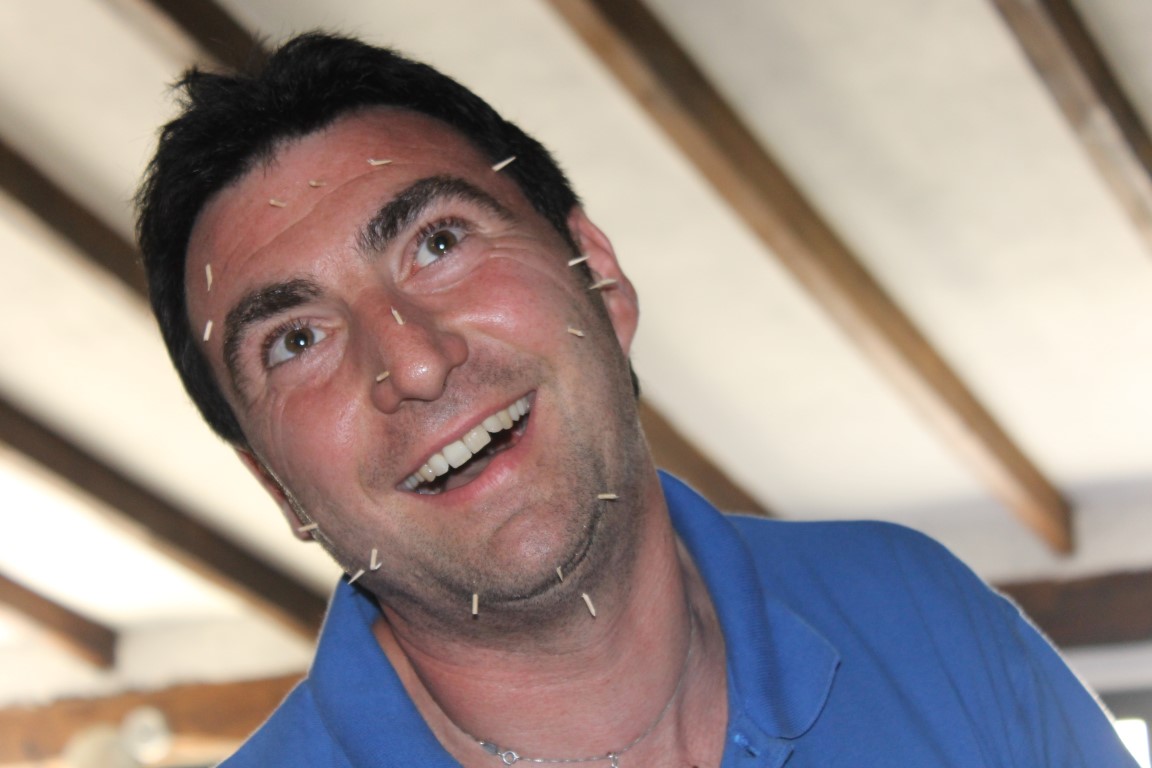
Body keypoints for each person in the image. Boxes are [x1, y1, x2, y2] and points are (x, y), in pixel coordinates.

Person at [135, 32, 1135, 768]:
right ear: (277, 487)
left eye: (437, 242)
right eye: (296, 340)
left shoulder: (923, 619)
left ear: (599, 275)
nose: (416, 361)